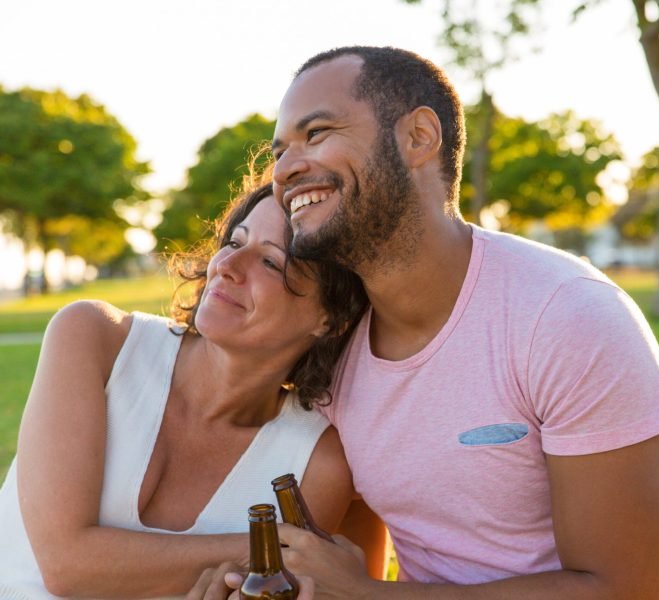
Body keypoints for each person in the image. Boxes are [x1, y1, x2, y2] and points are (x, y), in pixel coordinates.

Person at [260, 46, 659, 598]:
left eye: (315, 134)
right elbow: (344, 552)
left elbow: (630, 590)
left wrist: (371, 596)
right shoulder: (331, 349)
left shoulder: (566, 316)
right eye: (280, 150)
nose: (284, 169)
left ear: (418, 138)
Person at [0, 180, 379, 599]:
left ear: (330, 318)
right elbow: (66, 564)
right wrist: (277, 551)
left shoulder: (314, 462)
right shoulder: (96, 337)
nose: (228, 267)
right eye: (235, 242)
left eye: (272, 262)